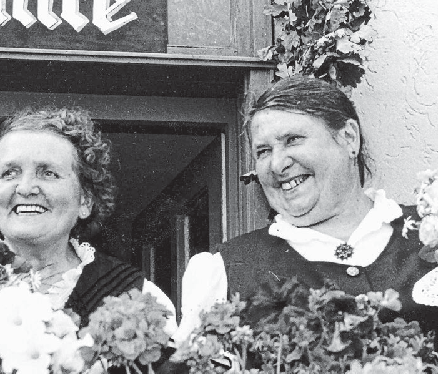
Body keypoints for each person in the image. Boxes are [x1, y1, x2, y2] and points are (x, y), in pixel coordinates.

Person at [179, 75, 438, 338]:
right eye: (263, 151)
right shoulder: (225, 270)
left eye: (292, 139)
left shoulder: (429, 230)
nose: (277, 165)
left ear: (349, 138)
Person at [0, 106, 177, 334]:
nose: (25, 188)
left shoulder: (137, 298)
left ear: (85, 201)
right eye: (9, 173)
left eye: (48, 173)